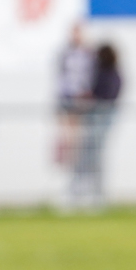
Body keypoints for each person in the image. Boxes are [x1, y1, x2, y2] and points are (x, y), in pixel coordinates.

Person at [70, 43, 122, 209]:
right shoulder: (104, 73)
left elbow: (102, 96)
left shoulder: (110, 75)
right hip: (96, 121)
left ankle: (95, 194)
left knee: (94, 157)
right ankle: (82, 193)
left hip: (100, 121)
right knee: (87, 157)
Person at [54, 24, 94, 168]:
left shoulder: (88, 54)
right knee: (65, 135)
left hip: (80, 98)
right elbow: (62, 76)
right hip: (67, 96)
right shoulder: (66, 53)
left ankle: (78, 165)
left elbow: (89, 77)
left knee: (78, 136)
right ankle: (67, 164)